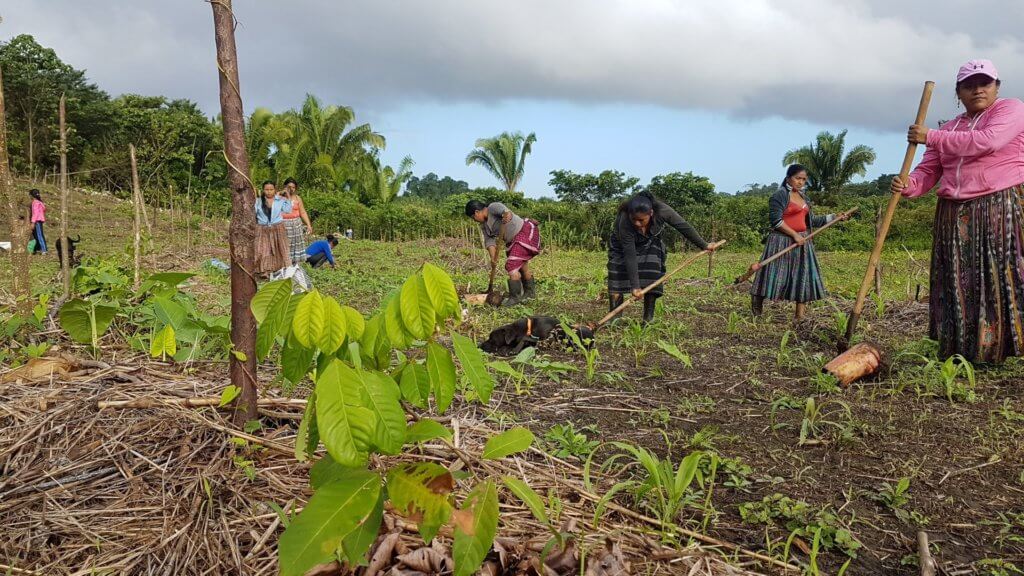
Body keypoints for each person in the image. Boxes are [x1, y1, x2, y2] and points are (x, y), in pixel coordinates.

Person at [892, 59, 1024, 363]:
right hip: (953, 212)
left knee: (994, 278)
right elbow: (929, 171)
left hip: (996, 206)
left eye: (984, 83)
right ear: (958, 92)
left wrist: (931, 136)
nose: (977, 89)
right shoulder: (950, 127)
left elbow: (988, 142)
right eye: (969, 85)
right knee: (958, 280)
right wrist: (908, 184)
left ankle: (994, 348)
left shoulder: (1011, 110)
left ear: (996, 87)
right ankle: (961, 347)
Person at [750, 164, 845, 322]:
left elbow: (810, 221)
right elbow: (776, 221)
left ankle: (799, 316)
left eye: (804, 179)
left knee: (803, 276)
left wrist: (833, 217)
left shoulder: (803, 197)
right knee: (770, 275)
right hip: (781, 242)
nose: (801, 182)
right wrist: (794, 235)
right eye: (797, 178)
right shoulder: (779, 196)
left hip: (803, 242)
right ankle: (757, 309)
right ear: (788, 178)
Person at [607, 191, 715, 324]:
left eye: (641, 220)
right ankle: (615, 320)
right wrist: (635, 287)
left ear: (651, 213)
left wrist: (704, 245)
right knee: (617, 273)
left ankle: (648, 319)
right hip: (621, 246)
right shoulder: (624, 220)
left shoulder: (663, 210)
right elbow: (630, 254)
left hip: (649, 242)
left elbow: (684, 227)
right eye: (633, 219)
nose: (637, 223)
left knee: (652, 270)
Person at [465, 200, 542, 306]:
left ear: (477, 212)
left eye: (473, 217)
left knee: (511, 265)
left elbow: (506, 212)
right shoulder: (484, 226)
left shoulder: (493, 207)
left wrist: (507, 216)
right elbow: (489, 241)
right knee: (522, 266)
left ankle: (515, 298)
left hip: (524, 233)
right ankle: (530, 293)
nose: (474, 220)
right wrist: (493, 258)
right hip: (513, 240)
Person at [254, 180, 292, 275]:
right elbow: (253, 213)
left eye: (271, 189)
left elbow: (288, 210)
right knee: (263, 250)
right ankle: (264, 270)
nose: (269, 191)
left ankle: (281, 269)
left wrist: (288, 197)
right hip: (263, 228)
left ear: (275, 190)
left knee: (280, 248)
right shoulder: (258, 201)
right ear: (263, 190)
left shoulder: (280, 200)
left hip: (278, 227)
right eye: (266, 189)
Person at [280, 177, 313, 265]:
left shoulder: (298, 198)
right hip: (284, 224)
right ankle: (284, 264)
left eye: (293, 187)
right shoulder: (279, 197)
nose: (291, 189)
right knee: (285, 244)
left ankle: (294, 265)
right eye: (289, 187)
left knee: (296, 245)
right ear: (285, 187)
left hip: (296, 224)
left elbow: (302, 212)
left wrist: (308, 225)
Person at [29, 189, 47, 254]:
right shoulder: (40, 202)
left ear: (31, 195)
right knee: (36, 235)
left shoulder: (35, 203)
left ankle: (44, 250)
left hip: (37, 221)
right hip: (39, 220)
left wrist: (33, 222)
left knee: (39, 235)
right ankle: (37, 248)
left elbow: (35, 213)